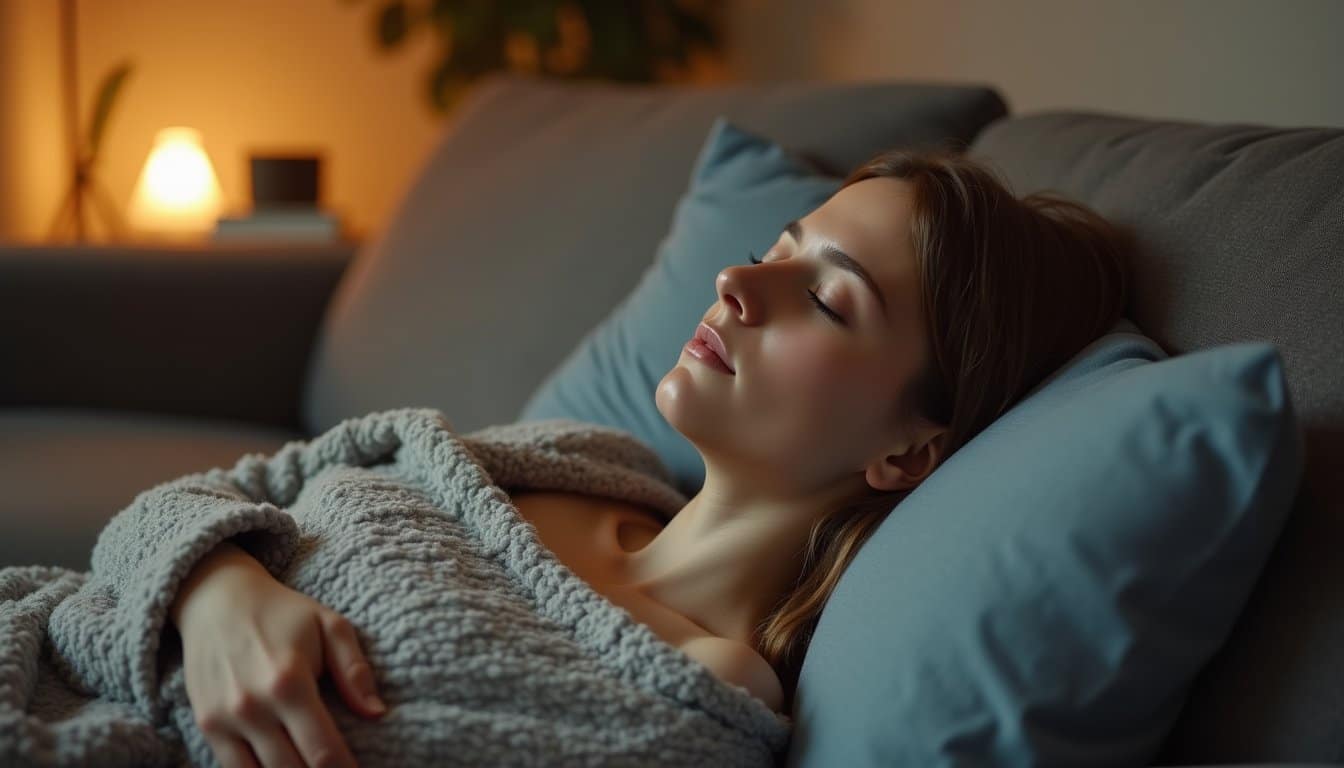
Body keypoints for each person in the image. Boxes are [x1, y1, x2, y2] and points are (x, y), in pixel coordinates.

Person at [167, 147, 1130, 768]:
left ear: (909, 452)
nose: (739, 281)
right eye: (776, 249)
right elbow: (225, 494)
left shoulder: (706, 692)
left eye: (830, 300)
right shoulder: (580, 458)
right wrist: (216, 595)